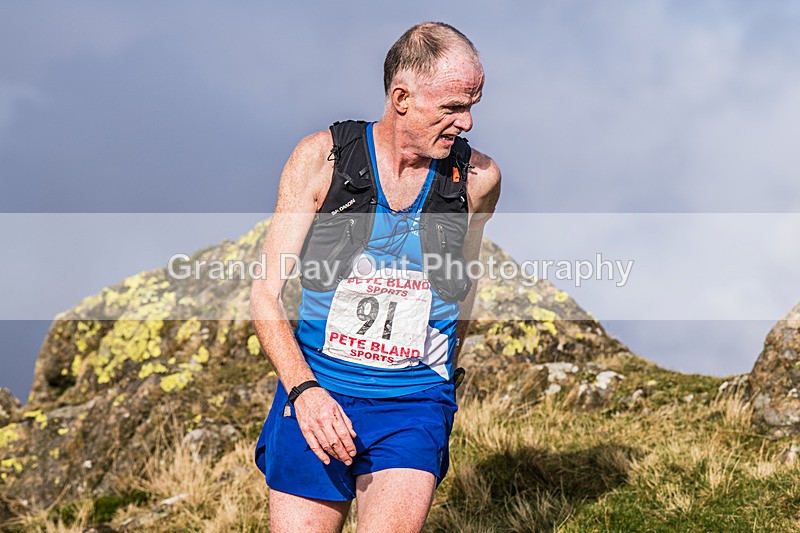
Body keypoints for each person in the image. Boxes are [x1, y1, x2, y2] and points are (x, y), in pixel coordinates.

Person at [250, 21, 501, 533]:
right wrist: (305, 393)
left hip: (412, 404)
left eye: (473, 104)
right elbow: (264, 294)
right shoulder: (321, 160)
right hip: (317, 392)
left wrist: (443, 373)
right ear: (402, 97)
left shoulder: (478, 180)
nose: (468, 122)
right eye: (453, 107)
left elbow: (463, 283)